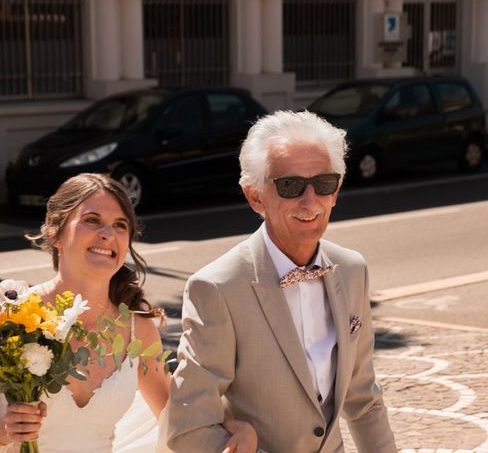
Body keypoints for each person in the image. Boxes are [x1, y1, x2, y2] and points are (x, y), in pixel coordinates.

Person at [0, 173, 253, 452]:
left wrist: (235, 425)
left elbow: (178, 411)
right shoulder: (9, 316)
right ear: (55, 232)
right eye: (92, 220)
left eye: (120, 225)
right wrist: (0, 431)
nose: (108, 234)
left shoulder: (137, 329)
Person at [159, 111, 397, 452]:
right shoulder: (216, 288)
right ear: (255, 196)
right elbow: (189, 428)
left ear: (337, 191)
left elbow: (364, 400)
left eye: (324, 184)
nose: (310, 200)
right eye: (291, 185)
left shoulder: (352, 269)